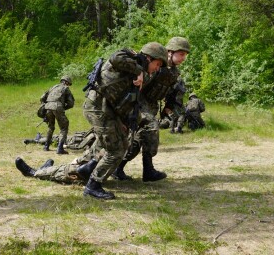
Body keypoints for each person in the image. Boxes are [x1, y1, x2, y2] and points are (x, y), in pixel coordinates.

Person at [82, 42, 168, 199]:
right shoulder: (133, 59)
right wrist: (139, 69)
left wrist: (123, 122)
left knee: (122, 145)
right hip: (98, 108)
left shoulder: (141, 74)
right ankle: (92, 185)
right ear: (149, 58)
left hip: (108, 110)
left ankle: (87, 172)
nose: (157, 68)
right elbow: (116, 57)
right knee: (116, 150)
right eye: (157, 64)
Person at [113, 37, 190, 182]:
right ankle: (147, 170)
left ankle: (120, 169)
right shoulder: (156, 65)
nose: (183, 58)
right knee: (151, 130)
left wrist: (168, 108)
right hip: (139, 103)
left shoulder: (174, 73)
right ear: (170, 52)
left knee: (137, 141)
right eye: (181, 54)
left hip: (151, 105)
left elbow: (174, 92)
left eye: (185, 55)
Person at [40, 76, 75, 154]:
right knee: (64, 127)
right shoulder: (66, 88)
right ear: (67, 82)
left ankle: (46, 146)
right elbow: (71, 103)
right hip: (58, 107)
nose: (68, 85)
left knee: (50, 127)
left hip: (48, 107)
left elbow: (42, 98)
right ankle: (60, 148)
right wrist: (62, 108)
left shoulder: (53, 87)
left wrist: (46, 106)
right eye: (69, 84)